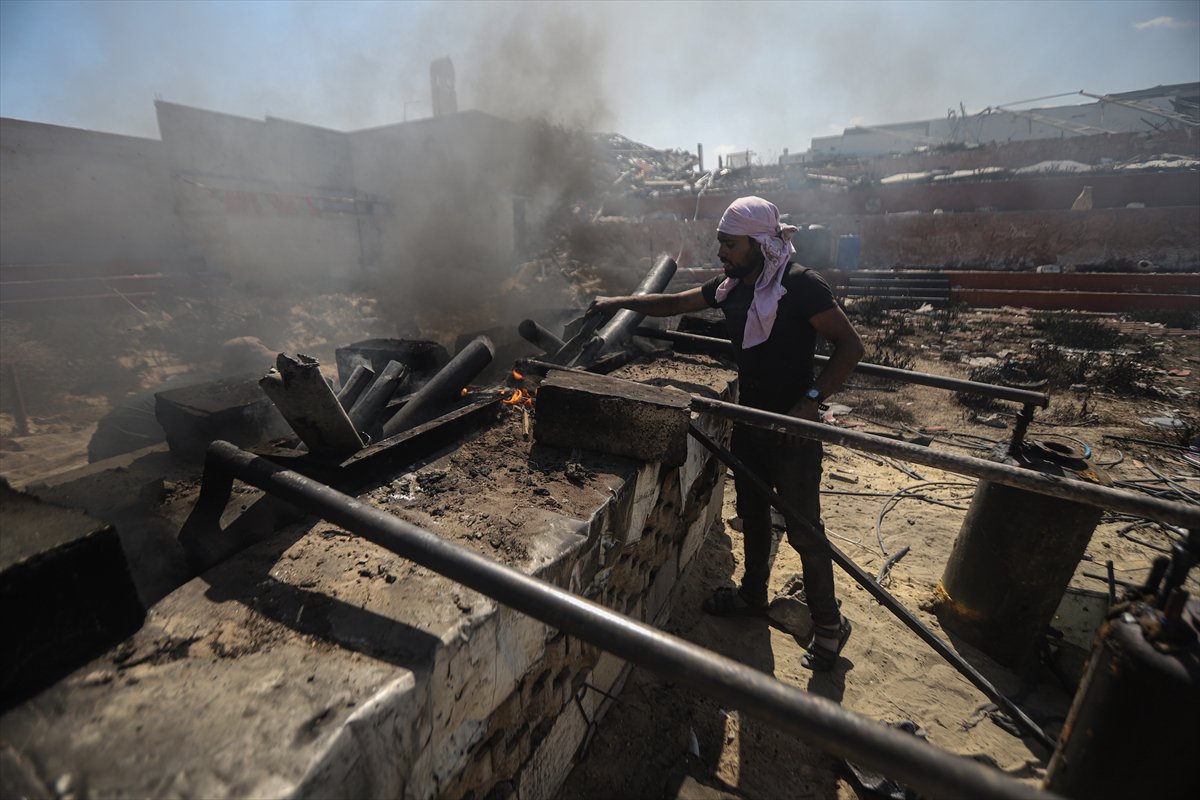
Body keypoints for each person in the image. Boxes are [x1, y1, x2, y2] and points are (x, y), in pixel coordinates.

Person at [589, 196, 864, 671]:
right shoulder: (732, 287)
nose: (722, 253)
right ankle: (753, 596)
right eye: (720, 244)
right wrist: (618, 301)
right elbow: (674, 301)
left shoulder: (800, 287)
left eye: (729, 244)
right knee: (754, 515)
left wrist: (811, 402)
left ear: (760, 242)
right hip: (751, 422)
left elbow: (850, 346)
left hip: (793, 431)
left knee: (803, 531)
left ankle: (827, 625)